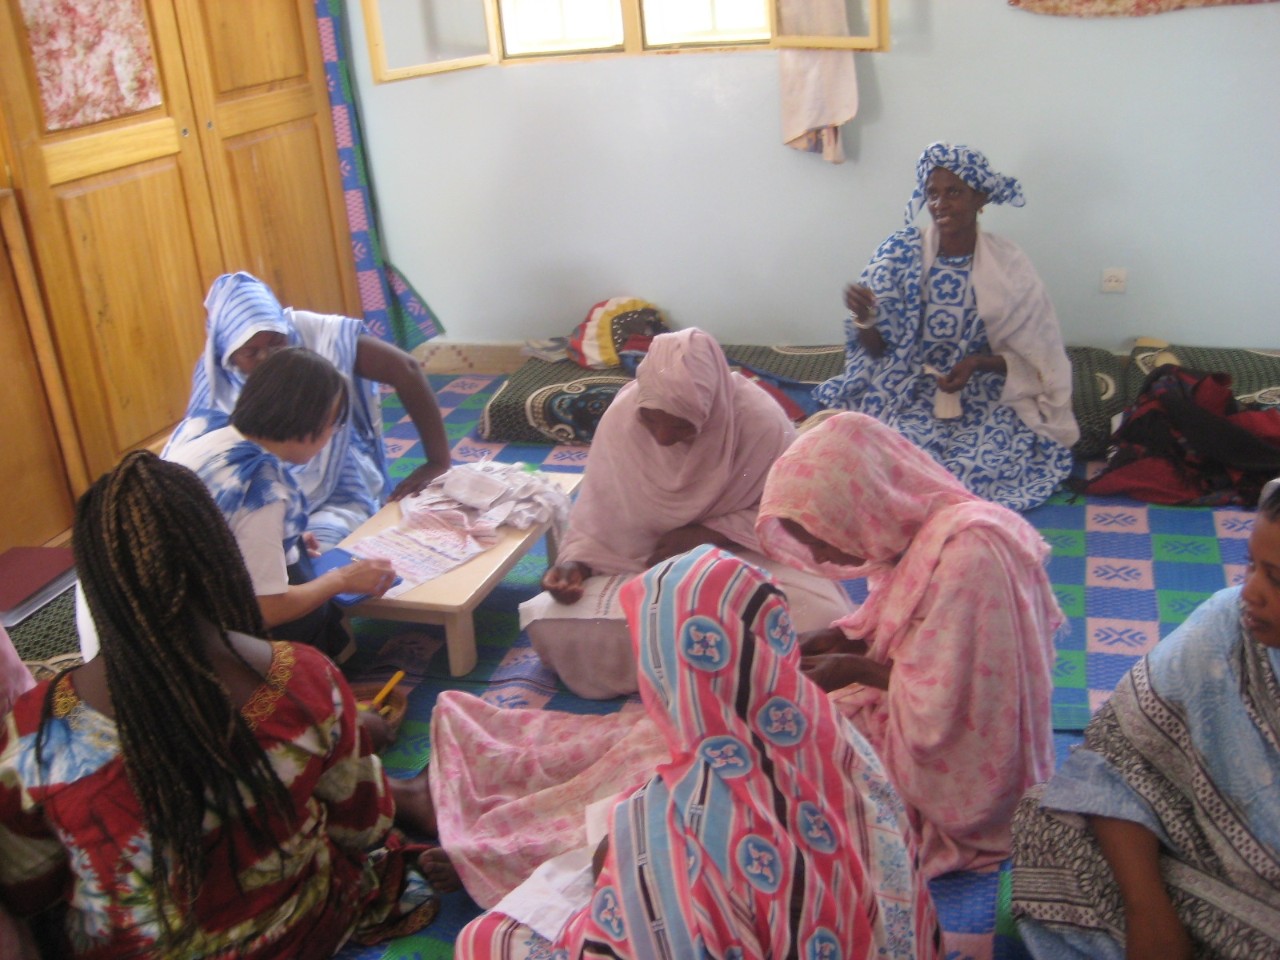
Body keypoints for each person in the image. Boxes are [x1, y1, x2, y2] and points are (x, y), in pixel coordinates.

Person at [0, 452, 438, 958]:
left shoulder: (33, 738)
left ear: (96, 586)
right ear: (222, 560)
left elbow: (26, 885)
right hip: (302, 932)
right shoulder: (306, 677)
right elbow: (363, 826)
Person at [452, 547, 940, 960]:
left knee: (485, 938)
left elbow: (641, 933)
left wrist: (624, 860)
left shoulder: (673, 823)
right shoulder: (842, 737)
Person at [755, 411, 1061, 879]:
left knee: (794, 774)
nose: (818, 558)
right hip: (920, 709)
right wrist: (840, 638)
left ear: (856, 506)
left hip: (968, 757)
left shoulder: (969, 556)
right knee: (776, 735)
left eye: (818, 539)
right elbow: (911, 632)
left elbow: (952, 706)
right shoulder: (920, 532)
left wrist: (850, 669)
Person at [1010, 482, 1280, 960]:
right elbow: (1116, 757)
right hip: (1201, 865)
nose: (1251, 593)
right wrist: (1147, 910)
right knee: (1048, 821)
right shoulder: (1227, 625)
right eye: (1251, 565)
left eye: (1276, 578)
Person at [531, 327, 853, 696]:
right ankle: (731, 669)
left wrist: (714, 532)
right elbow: (598, 514)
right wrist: (576, 566)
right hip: (640, 562)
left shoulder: (759, 421)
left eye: (682, 424)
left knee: (818, 618)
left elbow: (787, 513)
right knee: (550, 624)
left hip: (743, 555)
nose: (664, 438)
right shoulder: (622, 419)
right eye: (651, 419)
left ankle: (689, 665)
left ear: (712, 407)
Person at [813, 142, 1079, 512]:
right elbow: (875, 353)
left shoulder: (1010, 265)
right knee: (900, 462)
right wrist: (865, 318)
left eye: (954, 192)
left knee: (980, 467)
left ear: (979, 197)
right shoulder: (899, 254)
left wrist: (976, 364)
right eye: (932, 193)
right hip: (912, 393)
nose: (940, 204)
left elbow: (1039, 358)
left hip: (984, 397)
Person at [163, 271, 451, 546]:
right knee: (312, 566)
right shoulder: (263, 485)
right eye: (251, 353)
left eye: (277, 342)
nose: (267, 358)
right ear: (228, 356)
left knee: (316, 545)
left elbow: (406, 368)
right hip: (243, 506)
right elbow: (275, 594)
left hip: (333, 488)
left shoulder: (314, 333)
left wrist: (438, 460)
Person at [166, 346, 397, 660]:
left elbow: (217, 523)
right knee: (315, 608)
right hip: (175, 639)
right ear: (309, 423)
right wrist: (340, 580)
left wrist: (283, 539)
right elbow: (267, 610)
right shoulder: (262, 488)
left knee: (300, 559)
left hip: (127, 604)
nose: (332, 435)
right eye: (333, 425)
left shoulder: (203, 426)